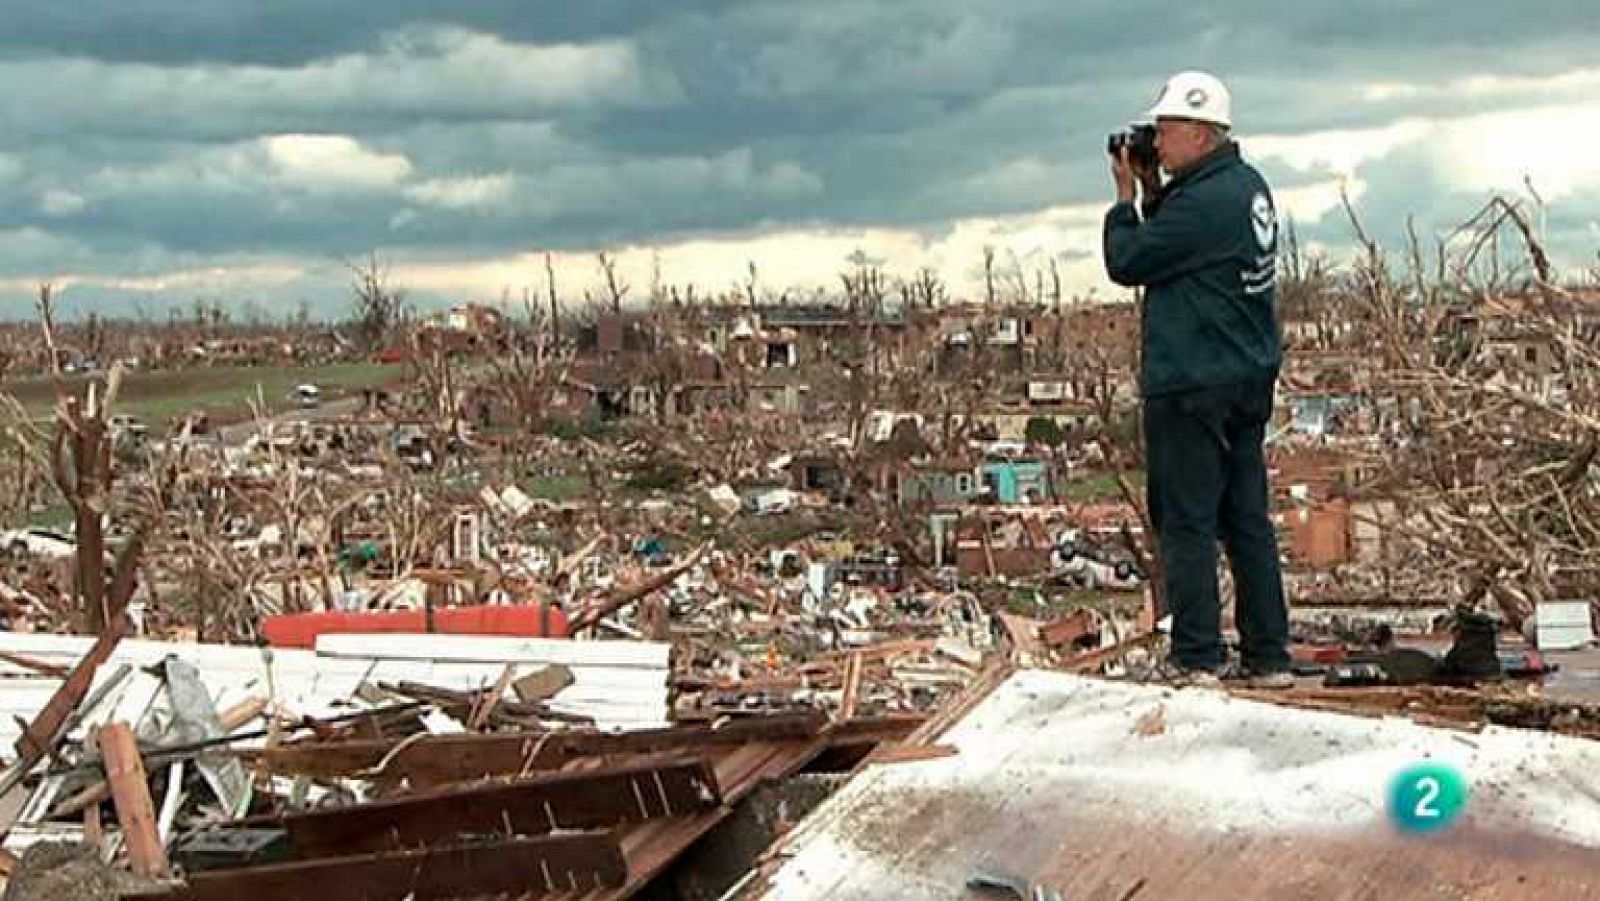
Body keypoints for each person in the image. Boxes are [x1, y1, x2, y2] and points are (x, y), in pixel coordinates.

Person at [1102, 71, 1292, 689]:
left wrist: (1125, 199)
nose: (1157, 141)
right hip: (1245, 377)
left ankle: (1197, 657)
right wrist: (1158, 189)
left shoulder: (1204, 203)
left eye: (1167, 130)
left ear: (1201, 133)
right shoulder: (1245, 188)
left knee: (1185, 519)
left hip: (1193, 381)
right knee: (1245, 518)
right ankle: (1268, 656)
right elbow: (1181, 243)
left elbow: (1128, 261)